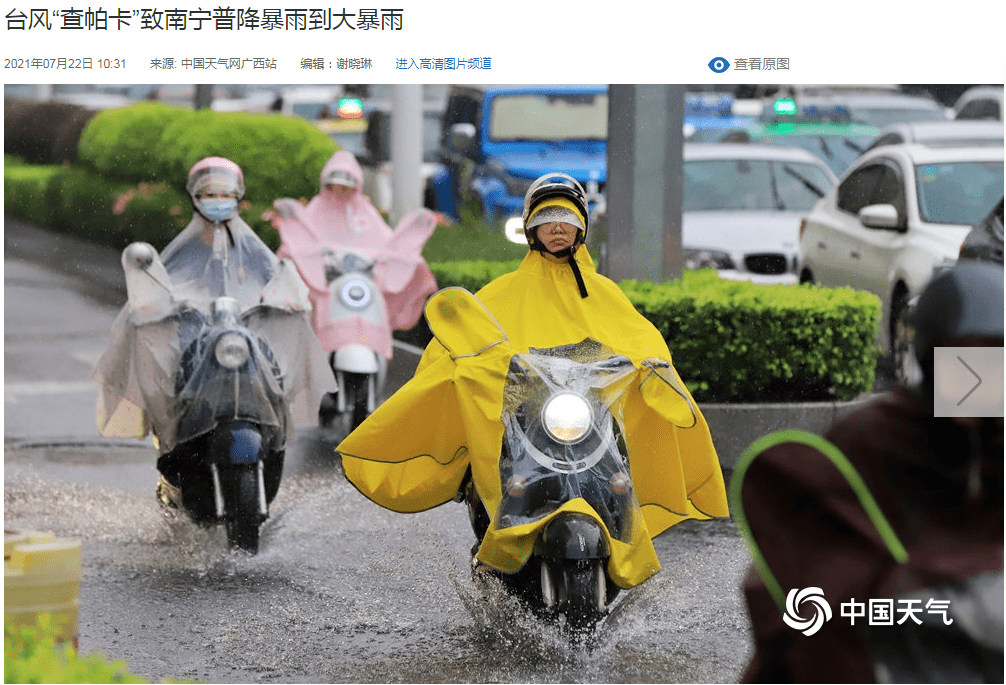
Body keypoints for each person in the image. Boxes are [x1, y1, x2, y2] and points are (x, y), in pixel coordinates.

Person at [337, 172, 729, 587]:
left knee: (622, 462)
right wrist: (469, 365)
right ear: (530, 228)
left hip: (588, 419)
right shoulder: (501, 292)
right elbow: (462, 346)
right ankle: (493, 534)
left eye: (568, 217)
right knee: (487, 459)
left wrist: (651, 367)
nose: (559, 226)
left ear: (582, 227)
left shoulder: (605, 293)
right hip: (524, 420)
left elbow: (641, 343)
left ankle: (619, 534)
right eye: (548, 216)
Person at [737, 261, 1004, 683]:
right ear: (931, 357)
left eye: (994, 360)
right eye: (964, 357)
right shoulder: (872, 440)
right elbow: (803, 583)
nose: (977, 378)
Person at [93, 156, 334, 500]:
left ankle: (270, 439)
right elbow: (163, 284)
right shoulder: (182, 248)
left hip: (240, 342)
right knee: (170, 388)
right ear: (195, 196)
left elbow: (275, 278)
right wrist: (152, 306)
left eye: (225, 194)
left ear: (237, 197)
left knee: (273, 382)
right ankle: (172, 452)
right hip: (196, 344)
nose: (217, 201)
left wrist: (290, 298)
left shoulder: (253, 249)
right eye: (209, 193)